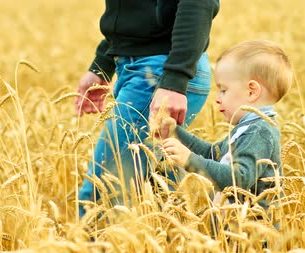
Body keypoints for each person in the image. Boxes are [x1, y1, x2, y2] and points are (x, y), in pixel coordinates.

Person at [74, 0, 220, 218]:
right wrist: (103, 63)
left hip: (160, 72)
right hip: (147, 69)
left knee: (103, 196)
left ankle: (86, 251)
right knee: (160, 193)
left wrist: (174, 80)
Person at [160, 40, 293, 210]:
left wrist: (190, 160)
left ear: (251, 92)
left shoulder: (259, 132)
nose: (217, 98)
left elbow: (240, 179)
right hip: (233, 229)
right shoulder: (247, 128)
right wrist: (175, 132)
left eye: (223, 90)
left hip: (253, 232)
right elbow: (213, 154)